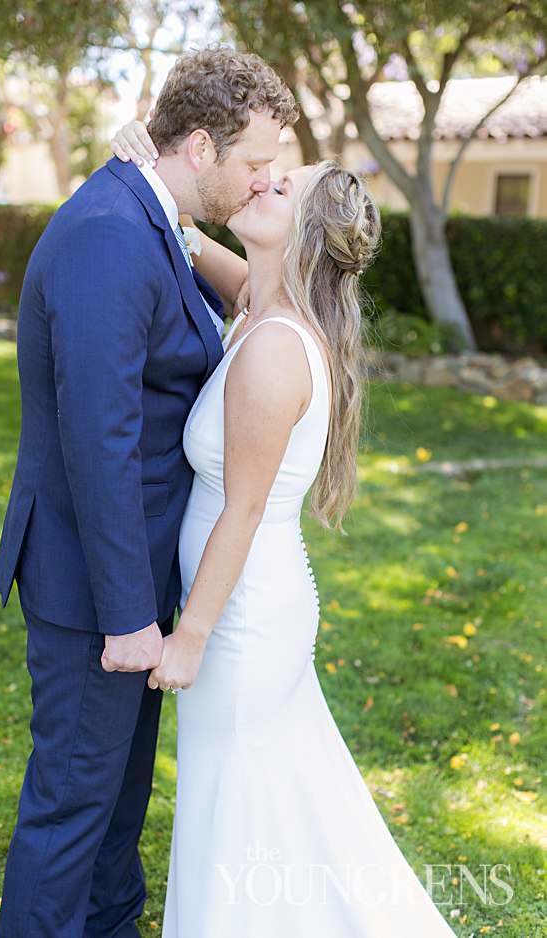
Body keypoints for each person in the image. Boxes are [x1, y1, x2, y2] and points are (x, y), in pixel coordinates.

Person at [113, 123, 455, 935]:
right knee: (278, 800)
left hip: (238, 620)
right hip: (252, 606)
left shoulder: (273, 349)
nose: (261, 182)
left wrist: (189, 636)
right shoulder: (262, 307)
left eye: (279, 186)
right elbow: (196, 246)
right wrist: (149, 176)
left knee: (239, 814)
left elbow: (244, 508)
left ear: (300, 233)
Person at [0, 48, 299, 937]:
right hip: (96, 588)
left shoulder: (153, 215)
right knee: (71, 813)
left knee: (115, 813)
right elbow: (101, 441)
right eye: (254, 163)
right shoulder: (109, 233)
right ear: (200, 147)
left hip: (130, 580)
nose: (262, 182)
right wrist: (130, 615)